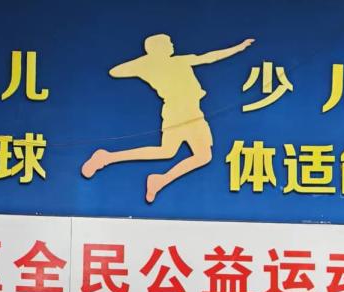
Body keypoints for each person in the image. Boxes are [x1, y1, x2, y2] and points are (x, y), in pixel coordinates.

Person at [81, 34, 254, 202]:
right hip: (182, 112)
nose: (172, 45)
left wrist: (144, 64)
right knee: (193, 154)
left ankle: (118, 162)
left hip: (189, 111)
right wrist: (147, 62)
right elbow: (114, 71)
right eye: (168, 43)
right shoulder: (173, 62)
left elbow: (209, 58)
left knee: (175, 152)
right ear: (160, 48)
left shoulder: (164, 63)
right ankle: (113, 160)